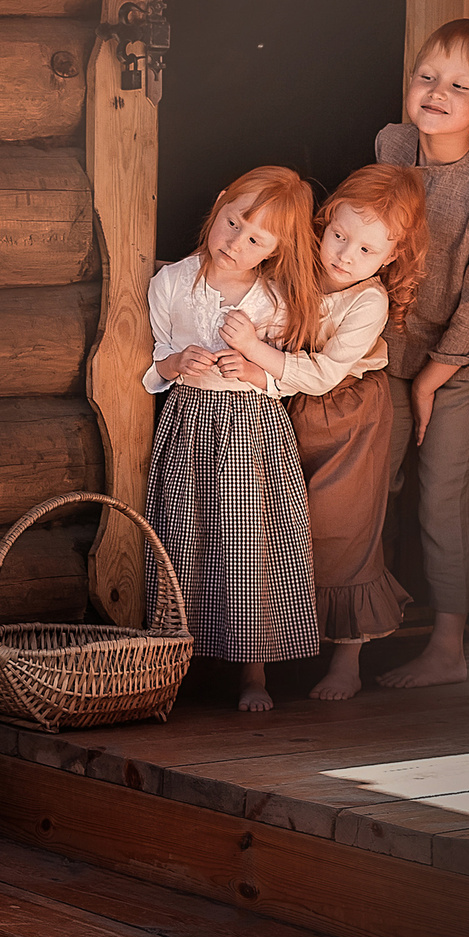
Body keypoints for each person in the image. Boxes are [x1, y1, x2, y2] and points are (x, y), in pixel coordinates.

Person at [215, 165, 428, 700]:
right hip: (277, 408)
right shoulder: (296, 266)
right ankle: (257, 660)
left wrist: (259, 360)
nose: (344, 256)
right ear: (326, 219)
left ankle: (347, 659)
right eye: (339, 236)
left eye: (366, 251)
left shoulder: (369, 301)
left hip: (348, 414)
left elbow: (327, 372)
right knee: (266, 527)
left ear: (391, 256)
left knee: (343, 527)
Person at [372, 18, 469, 689]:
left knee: (442, 499)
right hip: (386, 352)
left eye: (458, 86)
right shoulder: (393, 144)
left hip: (456, 368)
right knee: (375, 483)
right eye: (427, 76)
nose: (436, 91)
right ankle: (356, 627)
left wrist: (432, 379)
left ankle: (448, 646)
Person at [143, 166, 325, 712]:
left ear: (274, 249)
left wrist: (251, 367)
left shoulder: (274, 300)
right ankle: (171, 664)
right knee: (181, 537)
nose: (235, 241)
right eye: (232, 222)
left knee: (247, 544)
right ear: (219, 204)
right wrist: (176, 362)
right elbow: (155, 359)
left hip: (251, 432)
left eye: (254, 239)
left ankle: (253, 671)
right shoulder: (172, 281)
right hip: (187, 424)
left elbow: (283, 375)